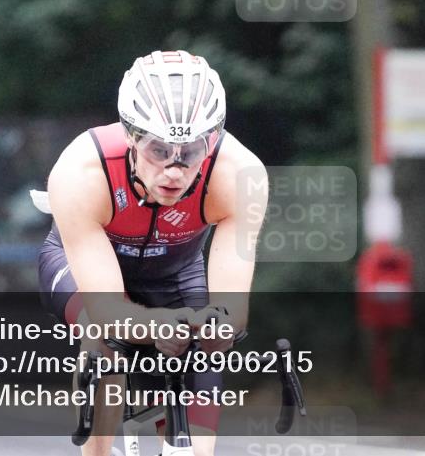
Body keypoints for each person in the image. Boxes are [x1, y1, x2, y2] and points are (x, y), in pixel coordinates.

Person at [37, 50, 267, 456]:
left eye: (191, 151)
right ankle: (97, 450)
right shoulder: (80, 171)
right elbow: (109, 311)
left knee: (197, 430)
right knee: (102, 339)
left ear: (212, 141)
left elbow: (232, 310)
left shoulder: (238, 175)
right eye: (159, 150)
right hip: (86, 270)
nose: (175, 169)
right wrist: (156, 325)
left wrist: (215, 328)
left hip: (176, 272)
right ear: (130, 134)